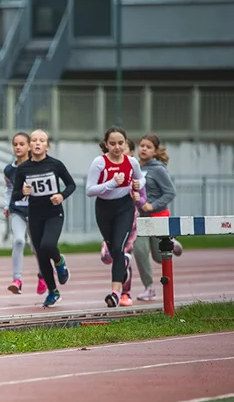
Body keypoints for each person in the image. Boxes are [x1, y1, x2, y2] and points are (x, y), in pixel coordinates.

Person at [11, 129, 76, 308]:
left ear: (47, 146)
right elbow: (15, 195)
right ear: (30, 145)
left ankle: (60, 262)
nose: (38, 143)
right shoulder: (24, 168)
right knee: (40, 255)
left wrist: (62, 195)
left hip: (54, 213)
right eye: (34, 140)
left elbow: (71, 184)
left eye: (42, 140)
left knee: (48, 246)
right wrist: (22, 192)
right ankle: (53, 291)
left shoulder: (55, 165)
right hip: (35, 215)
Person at [86, 127, 144, 308]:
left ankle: (116, 293)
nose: (117, 147)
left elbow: (142, 179)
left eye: (121, 143)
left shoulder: (132, 162)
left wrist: (137, 183)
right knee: (113, 250)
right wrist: (110, 184)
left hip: (124, 208)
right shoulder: (99, 162)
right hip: (104, 209)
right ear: (105, 144)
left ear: (125, 143)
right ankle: (122, 267)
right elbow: (89, 190)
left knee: (119, 247)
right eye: (112, 143)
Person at [132, 134, 181, 302]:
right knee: (139, 250)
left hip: (157, 216)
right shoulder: (134, 166)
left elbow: (170, 192)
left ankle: (171, 243)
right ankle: (149, 287)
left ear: (155, 151)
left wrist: (152, 205)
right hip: (140, 219)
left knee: (159, 257)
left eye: (148, 147)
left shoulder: (158, 169)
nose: (144, 149)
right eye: (142, 145)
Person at [3, 132, 46, 295]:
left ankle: (43, 275)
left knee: (37, 247)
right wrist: (6, 205)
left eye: (22, 144)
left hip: (35, 211)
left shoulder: (36, 166)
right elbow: (8, 189)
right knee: (19, 240)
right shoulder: (9, 169)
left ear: (29, 146)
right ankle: (17, 279)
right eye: (15, 144)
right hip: (17, 211)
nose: (18, 147)